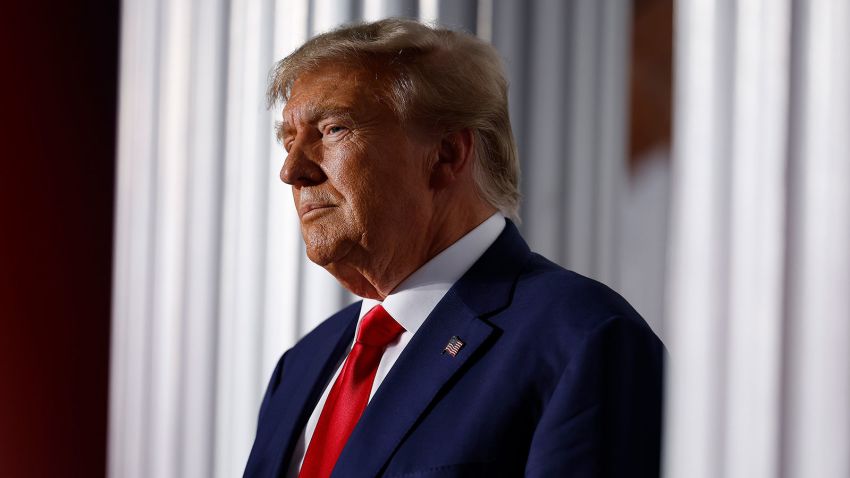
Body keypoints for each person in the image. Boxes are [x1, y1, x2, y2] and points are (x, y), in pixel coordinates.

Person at [244, 18, 663, 478]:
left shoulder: (585, 338)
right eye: (289, 140)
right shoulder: (300, 367)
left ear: (445, 155)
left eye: (333, 129)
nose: (292, 170)